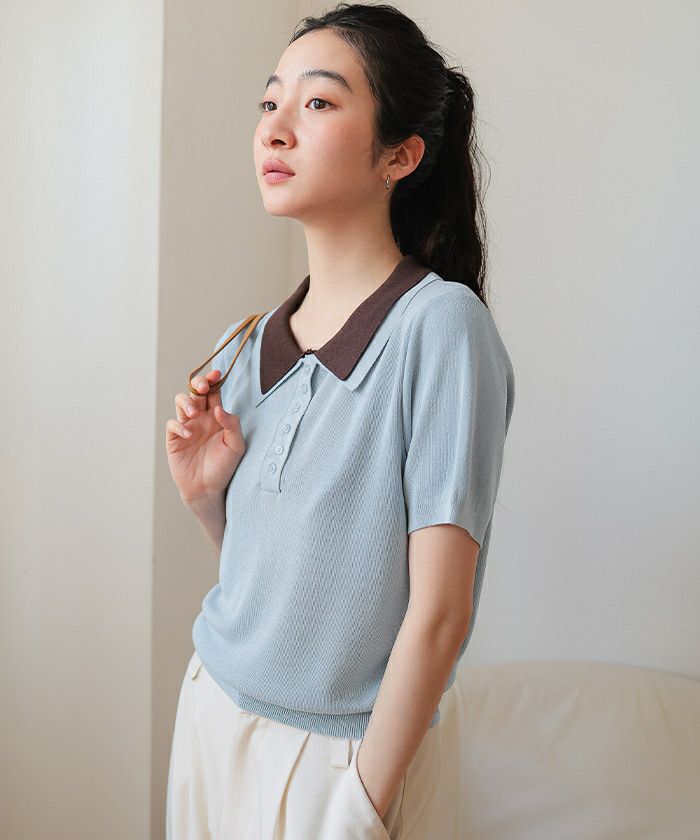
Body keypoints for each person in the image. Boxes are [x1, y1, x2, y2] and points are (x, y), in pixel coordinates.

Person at [164, 3, 515, 838]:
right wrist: (207, 499)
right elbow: (296, 591)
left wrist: (360, 802)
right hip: (211, 713)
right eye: (270, 101)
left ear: (400, 154)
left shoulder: (439, 328)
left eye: (318, 102)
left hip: (337, 760)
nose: (276, 127)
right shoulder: (246, 343)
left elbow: (440, 617)